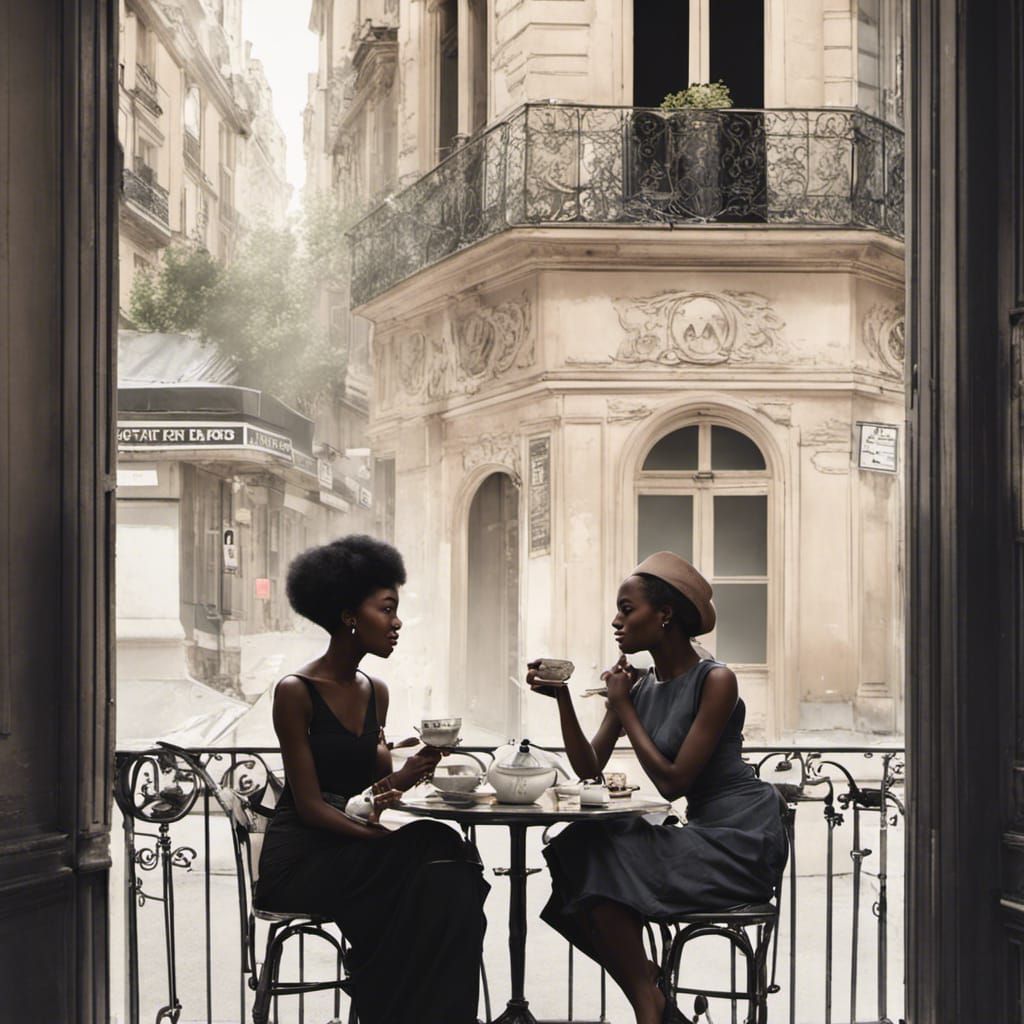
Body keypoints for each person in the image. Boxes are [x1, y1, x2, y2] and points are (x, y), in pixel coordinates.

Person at [526, 551, 788, 1024]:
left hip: (741, 838)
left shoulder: (717, 680)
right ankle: (651, 995)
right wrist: (563, 699)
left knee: (595, 864)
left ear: (664, 615)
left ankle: (651, 1005)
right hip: (701, 831)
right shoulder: (641, 687)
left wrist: (623, 707)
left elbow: (673, 781)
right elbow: (589, 769)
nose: (616, 621)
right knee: (576, 853)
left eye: (627, 609)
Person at [255, 534, 489, 1024]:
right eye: (387, 609)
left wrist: (410, 771)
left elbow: (373, 797)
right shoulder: (295, 692)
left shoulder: (374, 691)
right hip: (302, 861)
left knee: (452, 869)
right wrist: (379, 838)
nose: (397, 622)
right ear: (348, 616)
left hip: (356, 853)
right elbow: (311, 807)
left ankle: (427, 1012)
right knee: (436, 855)